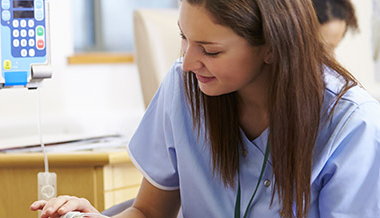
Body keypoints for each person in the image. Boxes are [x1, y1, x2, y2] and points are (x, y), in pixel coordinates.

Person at [31, 0, 380, 217]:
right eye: (184, 39)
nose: (187, 63)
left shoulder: (351, 124)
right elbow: (150, 212)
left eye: (210, 51)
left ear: (272, 47)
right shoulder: (183, 90)